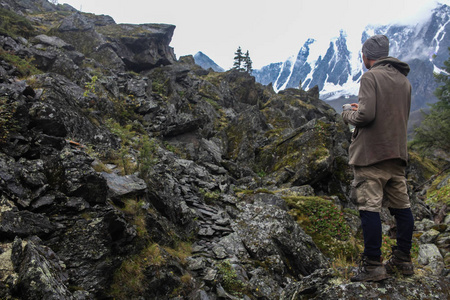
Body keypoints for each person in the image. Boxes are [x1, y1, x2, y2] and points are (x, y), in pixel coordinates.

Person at [342, 34, 415, 282]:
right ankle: (403, 260)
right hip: (397, 155)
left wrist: (347, 114)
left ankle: (373, 264)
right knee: (402, 207)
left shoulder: (370, 76)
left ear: (366, 56)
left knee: (369, 207)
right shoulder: (404, 82)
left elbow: (366, 116)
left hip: (372, 156)